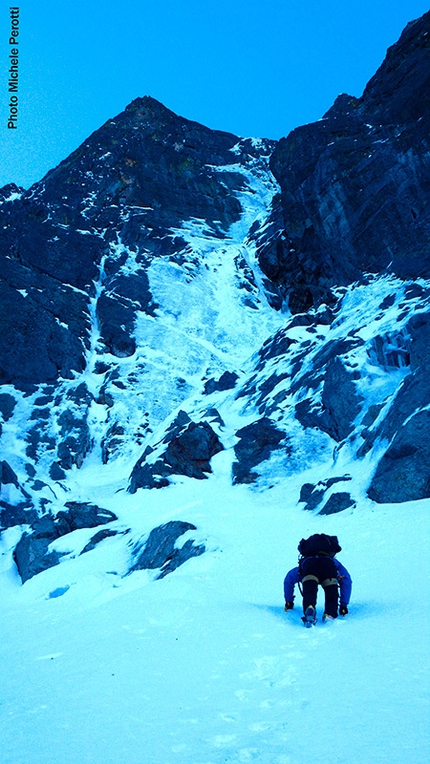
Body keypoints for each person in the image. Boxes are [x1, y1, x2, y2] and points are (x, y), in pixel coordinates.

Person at [284, 544, 352, 625]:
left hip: (310, 568)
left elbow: (289, 579)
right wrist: (343, 605)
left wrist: (289, 601)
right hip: (328, 568)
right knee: (331, 589)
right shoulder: (333, 561)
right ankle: (330, 614)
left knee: (310, 590)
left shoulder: (306, 560)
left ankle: (309, 608)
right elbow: (347, 581)